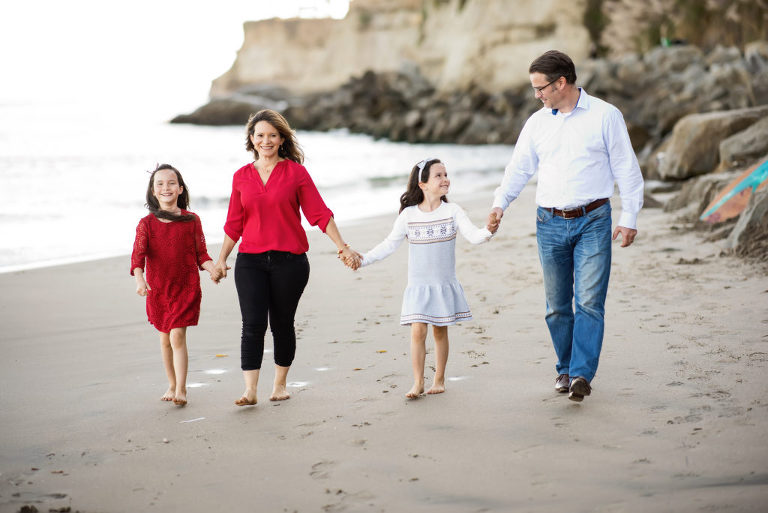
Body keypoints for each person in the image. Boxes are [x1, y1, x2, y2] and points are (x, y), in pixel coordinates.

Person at [489, 50, 644, 402]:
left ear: (561, 83)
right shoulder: (537, 123)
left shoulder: (606, 116)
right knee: (557, 306)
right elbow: (519, 169)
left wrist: (629, 217)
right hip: (549, 223)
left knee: (589, 302)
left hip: (594, 220)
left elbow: (627, 170)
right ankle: (564, 367)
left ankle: (580, 375)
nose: (536, 95)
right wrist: (500, 204)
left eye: (540, 88)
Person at [214, 109, 361, 406]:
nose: (265, 140)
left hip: (289, 262)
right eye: (260, 135)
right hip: (250, 261)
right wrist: (220, 260)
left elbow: (319, 213)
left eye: (272, 135)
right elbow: (234, 224)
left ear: (281, 139)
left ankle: (279, 385)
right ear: (251, 140)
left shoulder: (295, 173)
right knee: (252, 324)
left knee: (282, 323)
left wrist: (342, 246)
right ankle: (250, 390)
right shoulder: (241, 177)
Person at [350, 158, 497, 398]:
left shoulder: (453, 211)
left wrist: (489, 230)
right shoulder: (409, 216)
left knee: (440, 332)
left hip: (442, 285)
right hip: (418, 287)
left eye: (446, 174)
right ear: (423, 184)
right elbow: (389, 245)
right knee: (417, 332)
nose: (445, 179)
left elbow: (474, 236)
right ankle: (418, 382)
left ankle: (439, 378)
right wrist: (363, 259)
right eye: (438, 175)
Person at [131, 164, 218, 406]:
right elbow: (137, 257)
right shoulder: (146, 224)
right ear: (153, 191)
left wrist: (213, 270)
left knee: (177, 335)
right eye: (160, 183)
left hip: (186, 286)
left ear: (180, 189)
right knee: (164, 339)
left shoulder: (191, 220)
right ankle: (170, 384)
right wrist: (140, 280)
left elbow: (202, 254)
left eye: (171, 183)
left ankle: (181, 388)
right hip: (158, 289)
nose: (165, 187)